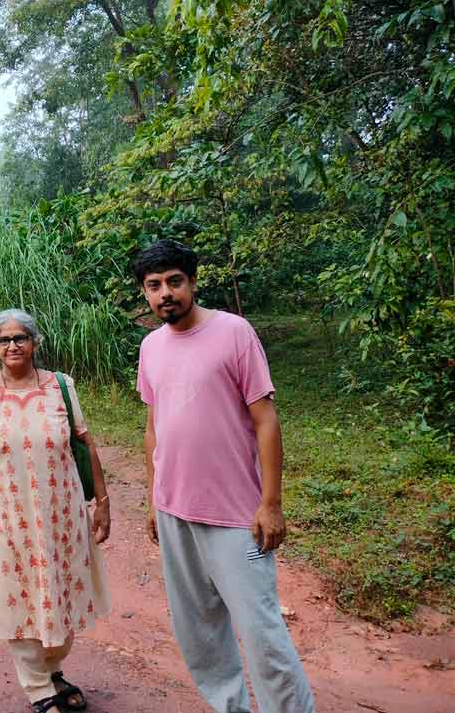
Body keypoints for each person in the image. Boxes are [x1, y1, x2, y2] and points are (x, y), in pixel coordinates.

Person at [133, 240, 315, 713]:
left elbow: (266, 420)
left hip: (236, 514)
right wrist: (154, 500)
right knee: (199, 633)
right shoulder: (151, 347)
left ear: (193, 282)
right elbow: (153, 427)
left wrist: (270, 503)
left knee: (262, 633)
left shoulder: (234, 333)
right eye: (154, 285)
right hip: (174, 511)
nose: (165, 293)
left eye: (174, 282)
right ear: (145, 293)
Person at [0, 309, 112, 713]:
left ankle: (52, 669)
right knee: (18, 595)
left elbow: (85, 443)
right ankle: (38, 686)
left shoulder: (61, 386)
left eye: (20, 338)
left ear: (34, 343)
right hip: (7, 517)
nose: (13, 346)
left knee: (63, 590)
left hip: (62, 514)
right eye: (4, 340)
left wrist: (103, 503)